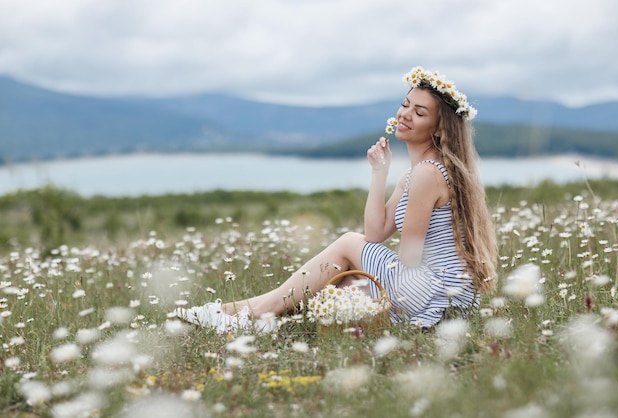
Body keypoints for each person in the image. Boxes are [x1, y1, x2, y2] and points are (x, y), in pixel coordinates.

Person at [174, 66, 498, 333]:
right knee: (338, 280)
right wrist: (378, 173)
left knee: (347, 247)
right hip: (446, 294)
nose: (405, 114)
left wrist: (364, 281)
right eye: (405, 104)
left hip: (434, 293)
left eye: (419, 112)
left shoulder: (428, 173)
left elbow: (410, 256)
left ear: (439, 128)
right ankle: (233, 313)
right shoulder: (416, 174)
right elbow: (377, 233)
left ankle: (250, 316)